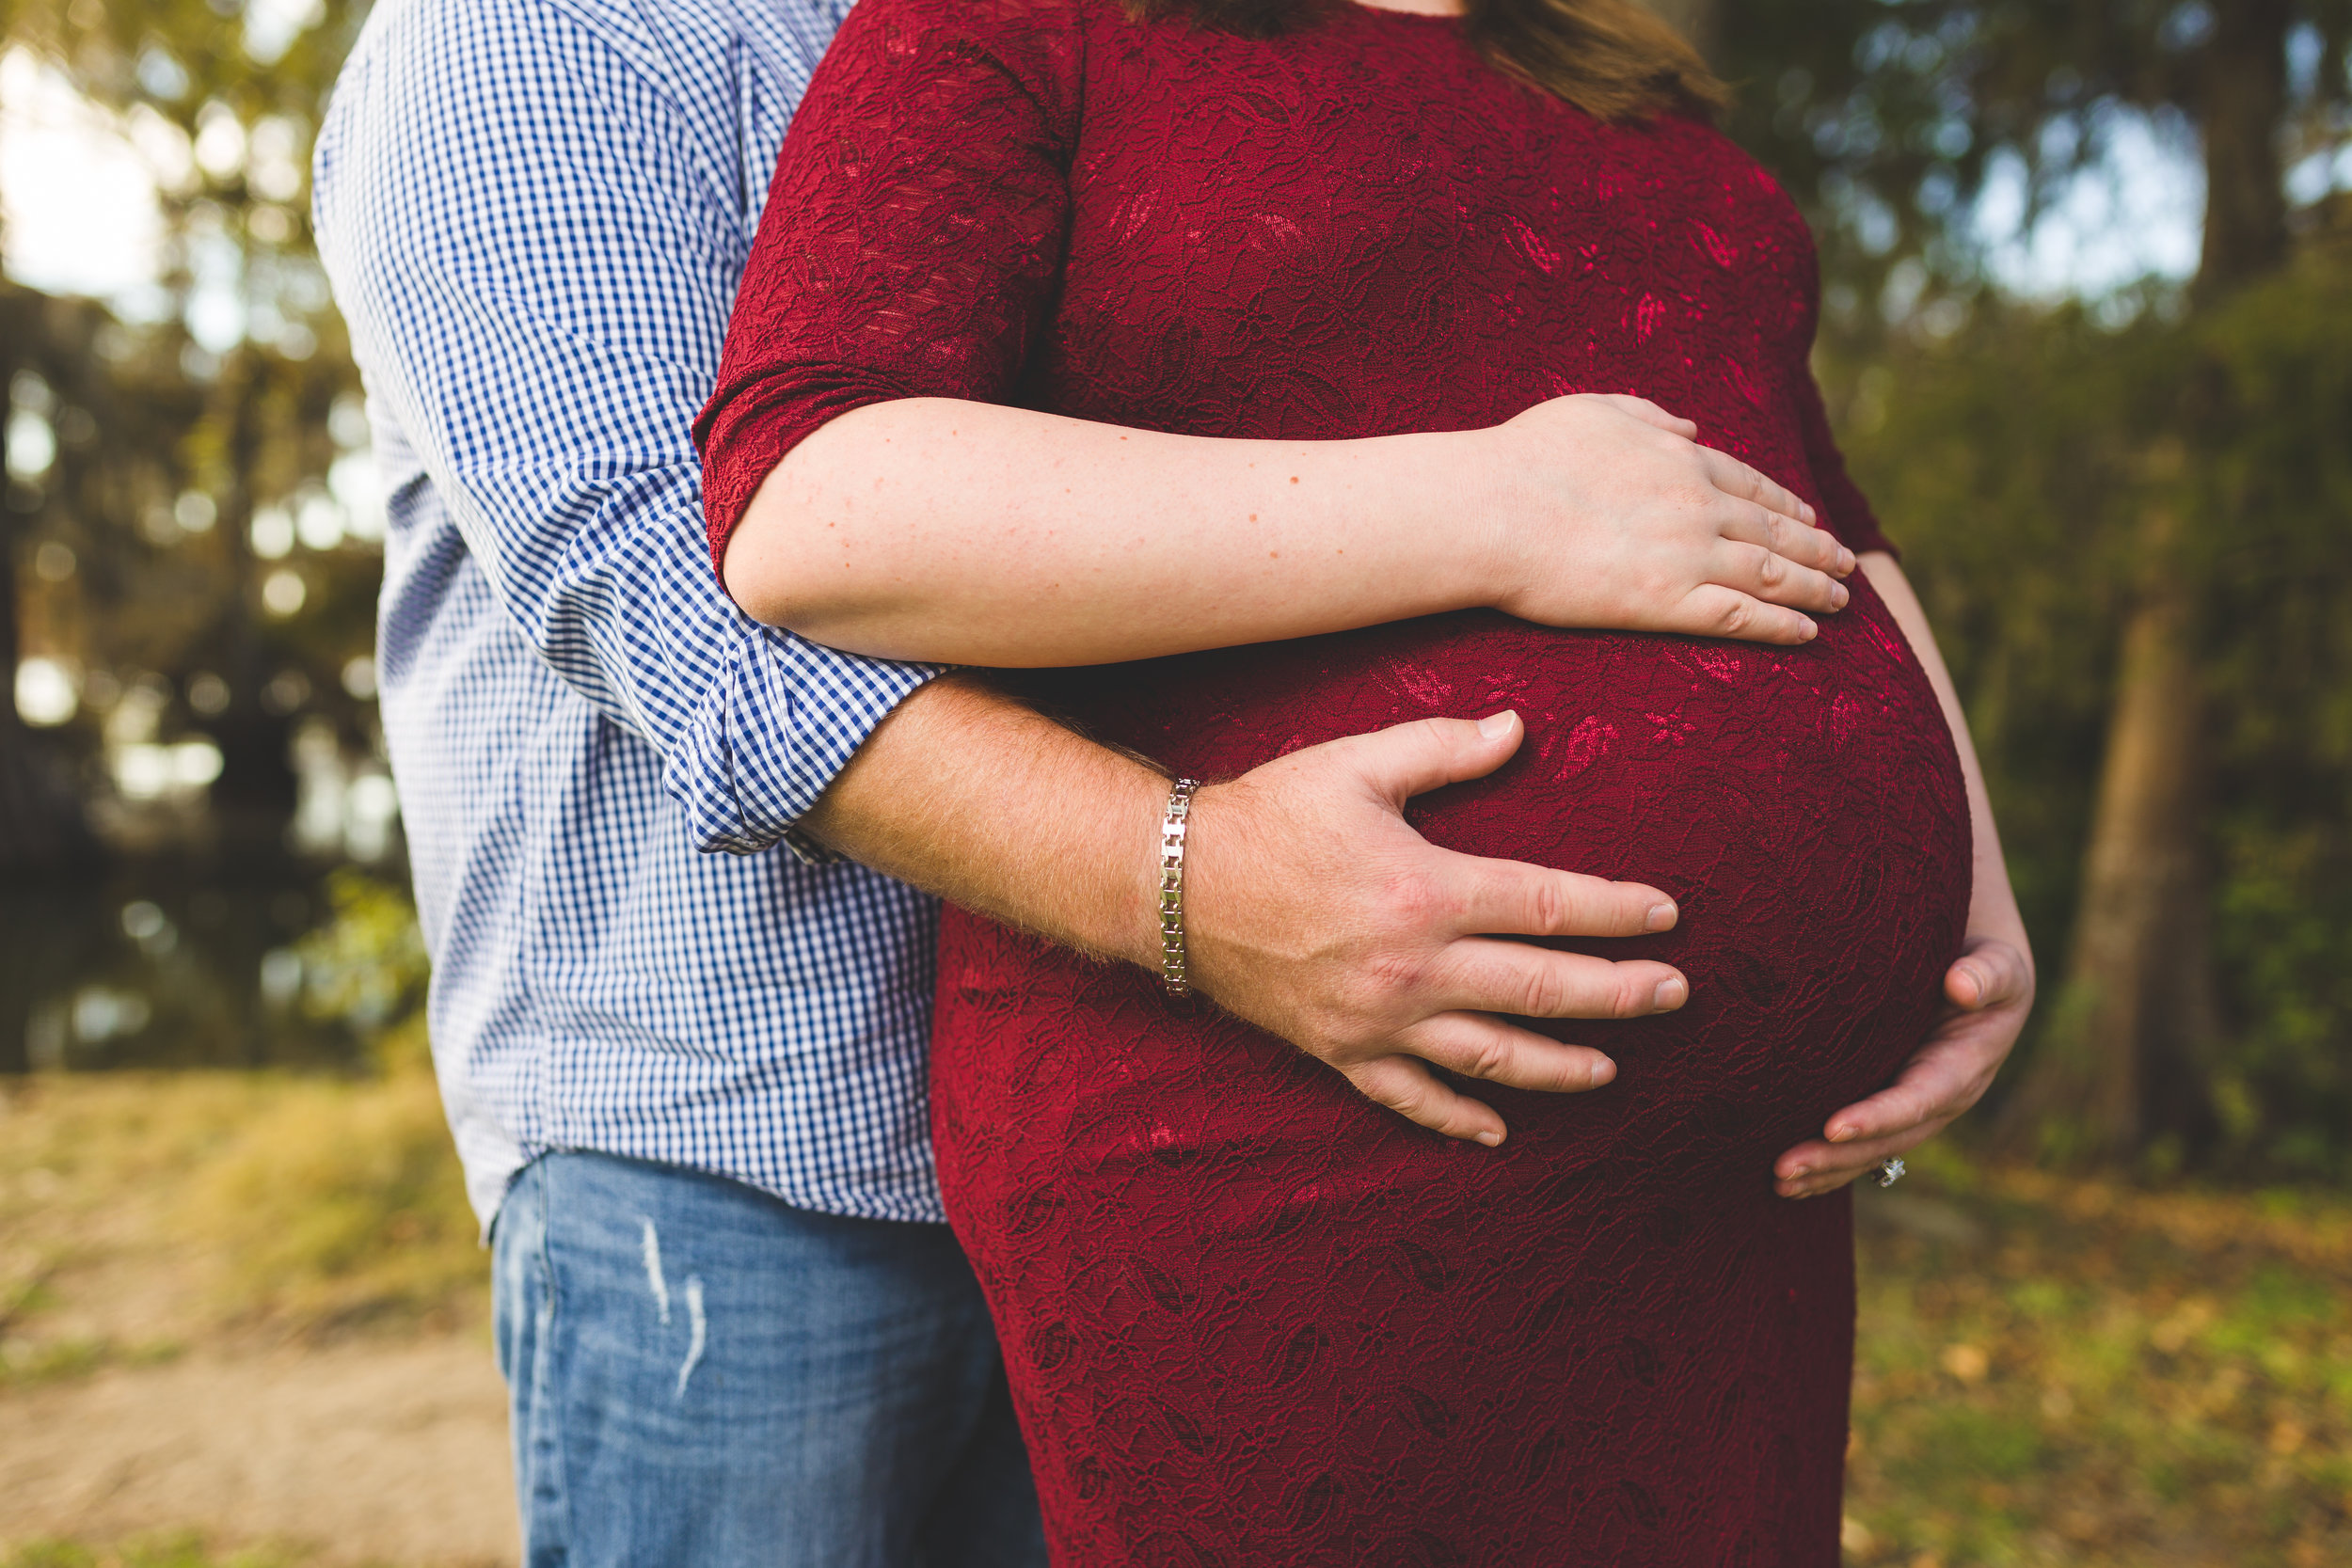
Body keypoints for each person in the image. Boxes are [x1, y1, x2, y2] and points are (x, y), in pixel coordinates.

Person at [310, 0, 1949, 1561]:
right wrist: (1194, 878)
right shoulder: (535, 34)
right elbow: (679, 609)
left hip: (1181, 1058)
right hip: (741, 1134)